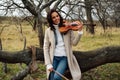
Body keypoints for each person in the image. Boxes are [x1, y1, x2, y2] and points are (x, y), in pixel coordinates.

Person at [43, 9, 83, 80]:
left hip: (64, 58)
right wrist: (48, 63)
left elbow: (74, 43)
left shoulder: (68, 28)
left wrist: (79, 33)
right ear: (51, 19)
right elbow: (45, 47)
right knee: (51, 78)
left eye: (57, 16)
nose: (56, 18)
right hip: (53, 58)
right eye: (53, 17)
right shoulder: (48, 31)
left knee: (56, 77)